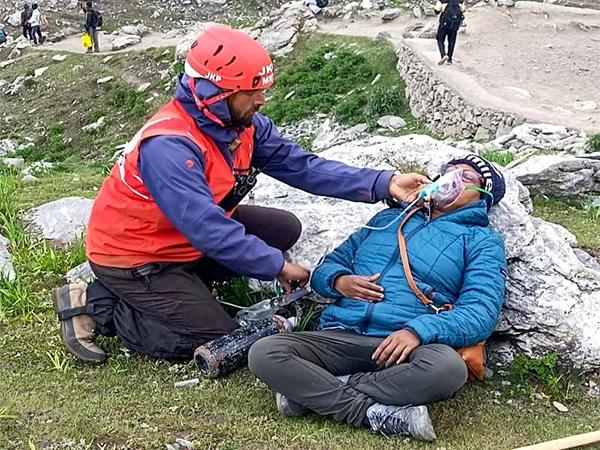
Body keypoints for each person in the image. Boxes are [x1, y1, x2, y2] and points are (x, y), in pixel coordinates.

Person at [51, 26, 428, 364]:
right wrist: (276, 267)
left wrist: (384, 183)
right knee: (221, 336)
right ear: (213, 94)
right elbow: (206, 227)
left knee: (284, 229)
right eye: (250, 91)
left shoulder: (241, 125)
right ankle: (96, 305)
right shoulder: (169, 145)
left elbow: (304, 167)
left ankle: (183, 285)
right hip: (137, 257)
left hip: (178, 239)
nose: (261, 99)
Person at [248, 154, 507, 441]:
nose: (452, 179)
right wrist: (339, 281)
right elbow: (325, 270)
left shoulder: (482, 241)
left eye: (466, 177)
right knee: (265, 352)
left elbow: (480, 313)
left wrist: (417, 331)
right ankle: (373, 413)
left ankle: (315, 391)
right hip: (342, 334)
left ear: (482, 196)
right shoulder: (388, 218)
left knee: (447, 370)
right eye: (449, 171)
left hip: (404, 349)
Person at [435, 0, 464, 65]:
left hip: (444, 23)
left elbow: (436, 10)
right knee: (452, 41)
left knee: (440, 39)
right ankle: (449, 59)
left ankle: (443, 55)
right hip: (454, 25)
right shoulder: (460, 1)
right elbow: (463, 10)